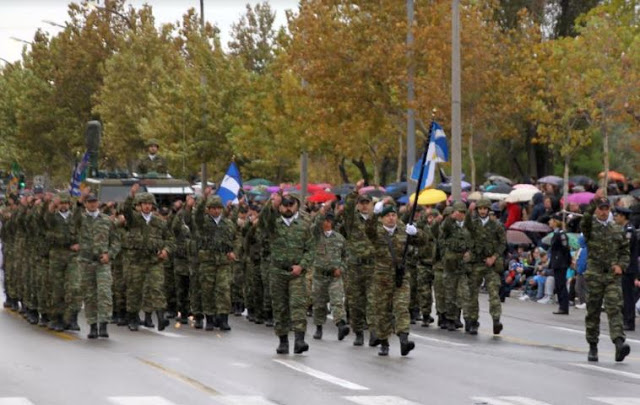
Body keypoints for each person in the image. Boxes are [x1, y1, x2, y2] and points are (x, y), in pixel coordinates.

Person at [365, 198, 425, 356]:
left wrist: (416, 233)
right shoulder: (377, 233)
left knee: (401, 308)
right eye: (387, 216)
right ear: (382, 218)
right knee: (383, 311)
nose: (391, 218)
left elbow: (424, 241)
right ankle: (384, 343)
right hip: (382, 279)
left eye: (393, 215)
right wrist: (374, 213)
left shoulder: (403, 231)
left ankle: (404, 341)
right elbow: (368, 229)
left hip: (401, 278)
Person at [262, 193, 314, 354]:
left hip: (297, 272)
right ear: (280, 207)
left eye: (291, 204)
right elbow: (263, 219)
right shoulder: (273, 224)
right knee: (280, 306)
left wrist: (302, 265)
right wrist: (271, 204)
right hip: (278, 271)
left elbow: (311, 249)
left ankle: (300, 340)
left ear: (297, 206)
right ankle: (283, 340)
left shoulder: (304, 226)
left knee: (298, 305)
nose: (288, 207)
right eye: (285, 204)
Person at [581, 197, 630, 362]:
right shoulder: (590, 227)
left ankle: (619, 343)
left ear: (609, 209)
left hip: (611, 276)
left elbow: (625, 251)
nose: (603, 211)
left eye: (606, 208)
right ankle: (593, 346)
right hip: (594, 275)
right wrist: (592, 205)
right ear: (596, 210)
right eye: (600, 208)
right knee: (593, 311)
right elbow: (585, 221)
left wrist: (621, 266)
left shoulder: (616, 229)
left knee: (614, 308)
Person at [124, 185, 175, 332]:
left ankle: (161, 317)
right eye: (144, 204)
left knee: (157, 287)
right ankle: (133, 317)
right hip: (137, 261)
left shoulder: (159, 222)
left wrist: (166, 250)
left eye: (149, 204)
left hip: (154, 261)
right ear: (139, 206)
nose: (146, 207)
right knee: (135, 289)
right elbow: (127, 211)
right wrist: (131, 195)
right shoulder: (134, 220)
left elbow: (170, 239)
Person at [76, 192, 120, 339]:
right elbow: (70, 223)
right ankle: (93, 325)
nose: (93, 204)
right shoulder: (80, 219)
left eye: (95, 202)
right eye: (90, 202)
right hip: (86, 262)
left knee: (104, 293)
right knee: (89, 295)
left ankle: (104, 325)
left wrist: (110, 254)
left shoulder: (107, 220)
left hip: (102, 262)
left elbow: (116, 241)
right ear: (85, 204)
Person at [193, 188, 237, 331]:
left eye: (218, 208)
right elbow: (197, 215)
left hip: (223, 262)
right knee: (208, 290)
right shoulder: (203, 222)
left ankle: (223, 319)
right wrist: (203, 199)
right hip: (208, 262)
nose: (216, 211)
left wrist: (233, 251)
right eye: (213, 208)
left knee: (223, 290)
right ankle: (210, 319)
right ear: (208, 209)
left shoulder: (228, 223)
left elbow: (235, 240)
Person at [342, 182, 376, 346]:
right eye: (361, 203)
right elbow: (347, 207)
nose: (364, 206)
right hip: (355, 267)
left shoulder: (377, 220)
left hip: (373, 266)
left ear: (371, 205)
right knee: (356, 301)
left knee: (373, 300)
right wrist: (355, 191)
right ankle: (358, 332)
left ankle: (374, 331)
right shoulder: (351, 220)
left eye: (367, 203)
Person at [465, 199, 506, 335]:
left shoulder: (496, 225)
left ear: (489, 210)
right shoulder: (473, 224)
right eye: (480, 208)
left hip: (490, 265)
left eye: (485, 208)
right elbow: (465, 229)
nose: (482, 211)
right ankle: (472, 321)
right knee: (472, 294)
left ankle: (496, 320)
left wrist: (494, 257)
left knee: (494, 292)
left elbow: (502, 243)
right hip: (476, 263)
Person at [311, 208, 350, 341]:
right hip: (319, 276)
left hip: (335, 276)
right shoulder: (316, 236)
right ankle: (319, 327)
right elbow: (316, 225)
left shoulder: (339, 238)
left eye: (329, 220)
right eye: (324, 220)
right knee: (319, 303)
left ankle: (341, 325)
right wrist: (320, 214)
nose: (326, 223)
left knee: (337, 301)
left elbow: (346, 256)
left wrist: (342, 268)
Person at [44, 193, 80, 332]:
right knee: (57, 288)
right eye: (61, 203)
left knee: (74, 287)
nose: (63, 205)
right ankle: (56, 318)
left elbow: (85, 232)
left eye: (66, 203)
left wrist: (80, 244)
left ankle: (72, 318)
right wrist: (52, 204)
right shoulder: (52, 218)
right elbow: (46, 219)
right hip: (57, 256)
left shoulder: (75, 218)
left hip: (72, 256)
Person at [441, 201, 472, 332]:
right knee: (450, 293)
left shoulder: (467, 226)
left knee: (464, 293)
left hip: (463, 265)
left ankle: (468, 319)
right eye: (459, 212)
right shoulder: (449, 224)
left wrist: (470, 252)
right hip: (451, 264)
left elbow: (473, 240)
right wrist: (451, 217)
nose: (461, 215)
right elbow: (444, 229)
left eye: (464, 212)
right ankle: (450, 318)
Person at [613, 206, 639, 331]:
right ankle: (625, 319)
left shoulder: (629, 230)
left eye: (617, 215)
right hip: (624, 266)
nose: (615, 218)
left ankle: (629, 321)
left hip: (628, 267)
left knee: (628, 295)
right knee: (623, 294)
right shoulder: (623, 229)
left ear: (623, 216)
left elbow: (625, 248)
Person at [548, 212, 571, 315]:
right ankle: (561, 305)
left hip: (561, 262)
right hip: (557, 262)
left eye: (551, 220)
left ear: (555, 222)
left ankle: (564, 307)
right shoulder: (556, 233)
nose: (549, 222)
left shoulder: (561, 234)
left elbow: (565, 248)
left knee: (561, 285)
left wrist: (567, 261)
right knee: (558, 284)